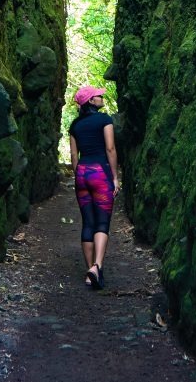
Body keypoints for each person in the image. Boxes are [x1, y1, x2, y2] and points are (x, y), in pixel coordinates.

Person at [68, 85, 120, 289]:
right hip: (100, 172)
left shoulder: (75, 125)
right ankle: (97, 266)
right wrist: (114, 177)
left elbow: (74, 156)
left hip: (82, 173)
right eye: (98, 96)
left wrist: (78, 174)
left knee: (87, 222)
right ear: (91, 101)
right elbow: (110, 148)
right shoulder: (105, 120)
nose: (101, 97)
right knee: (102, 223)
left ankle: (89, 273)